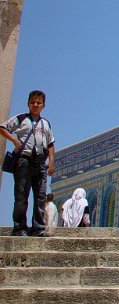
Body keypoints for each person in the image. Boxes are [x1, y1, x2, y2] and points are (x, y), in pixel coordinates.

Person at [0, 90, 55, 237]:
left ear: (43, 105)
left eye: (38, 102)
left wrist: (51, 162)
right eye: (33, 102)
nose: (35, 104)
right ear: (28, 104)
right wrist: (14, 140)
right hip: (24, 161)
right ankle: (20, 228)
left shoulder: (45, 123)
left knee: (40, 197)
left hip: (40, 163)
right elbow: (2, 128)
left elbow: (50, 143)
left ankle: (38, 228)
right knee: (21, 196)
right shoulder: (21, 119)